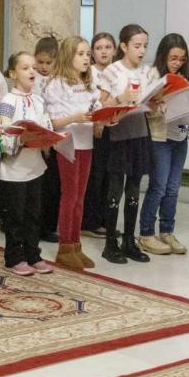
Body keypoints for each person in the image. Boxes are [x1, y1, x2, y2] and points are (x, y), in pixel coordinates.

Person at [97, 25, 156, 265]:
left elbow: (151, 103)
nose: (141, 51)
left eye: (145, 46)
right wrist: (121, 98)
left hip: (139, 133)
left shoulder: (148, 72)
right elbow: (101, 106)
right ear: (123, 46)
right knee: (115, 190)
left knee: (134, 190)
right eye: (137, 46)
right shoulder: (112, 71)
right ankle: (110, 242)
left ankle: (129, 241)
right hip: (118, 136)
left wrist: (157, 103)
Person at [0, 52, 56, 276]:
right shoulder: (7, 102)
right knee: (16, 217)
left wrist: (48, 139)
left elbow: (47, 125)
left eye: (33, 67)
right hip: (14, 169)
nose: (32, 71)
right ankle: (14, 257)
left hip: (35, 166)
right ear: (13, 74)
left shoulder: (39, 100)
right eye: (25, 68)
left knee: (33, 214)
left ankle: (33, 254)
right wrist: (21, 139)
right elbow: (1, 137)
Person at [44, 36, 100, 270]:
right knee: (69, 195)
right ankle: (65, 247)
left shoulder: (89, 82)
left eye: (88, 54)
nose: (86, 58)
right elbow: (52, 122)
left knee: (80, 196)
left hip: (86, 142)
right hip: (68, 143)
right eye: (80, 54)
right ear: (68, 56)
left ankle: (76, 244)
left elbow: (96, 110)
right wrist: (75, 117)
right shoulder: (56, 84)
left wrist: (107, 118)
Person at [138, 34, 189, 256]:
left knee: (173, 187)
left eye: (182, 59)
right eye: (173, 58)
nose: (177, 63)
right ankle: (146, 233)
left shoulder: (185, 77)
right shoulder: (153, 75)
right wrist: (157, 105)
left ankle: (167, 231)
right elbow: (143, 107)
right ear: (163, 56)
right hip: (159, 137)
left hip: (180, 136)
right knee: (159, 186)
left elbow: (187, 108)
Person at [81, 32, 117, 238]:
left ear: (114, 50)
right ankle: (90, 220)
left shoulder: (118, 71)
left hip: (114, 128)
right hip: (93, 129)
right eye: (99, 48)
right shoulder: (89, 73)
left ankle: (105, 219)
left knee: (110, 176)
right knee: (95, 175)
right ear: (93, 53)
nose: (103, 52)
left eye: (107, 47)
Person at [33, 36, 60, 242]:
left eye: (48, 63)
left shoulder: (59, 79)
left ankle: (49, 226)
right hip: (38, 136)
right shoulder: (32, 78)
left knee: (53, 184)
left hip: (57, 135)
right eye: (40, 62)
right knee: (39, 185)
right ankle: (37, 226)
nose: (43, 67)